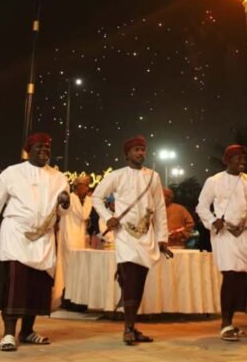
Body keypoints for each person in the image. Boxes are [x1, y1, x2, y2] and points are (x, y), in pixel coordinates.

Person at [0, 133, 69, 352]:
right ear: (28, 150)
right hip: (17, 235)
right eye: (39, 147)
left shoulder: (59, 177)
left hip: (44, 238)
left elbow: (64, 210)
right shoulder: (12, 173)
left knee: (37, 286)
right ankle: (8, 333)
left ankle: (27, 331)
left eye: (47, 147)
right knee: (15, 285)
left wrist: (66, 203)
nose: (44, 150)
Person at [91, 135, 170, 346]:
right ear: (127, 154)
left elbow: (160, 208)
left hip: (146, 235)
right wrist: (108, 217)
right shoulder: (116, 175)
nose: (141, 153)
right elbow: (96, 198)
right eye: (136, 149)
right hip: (125, 234)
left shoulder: (153, 176)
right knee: (129, 278)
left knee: (138, 281)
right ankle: (127, 327)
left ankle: (131, 326)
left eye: (143, 149)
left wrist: (163, 237)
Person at [196, 144, 247, 341]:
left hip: (245, 235)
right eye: (237, 158)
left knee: (240, 278)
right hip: (224, 235)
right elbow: (201, 207)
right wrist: (212, 221)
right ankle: (225, 324)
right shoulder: (214, 181)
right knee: (230, 275)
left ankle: (231, 323)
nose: (241, 161)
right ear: (227, 160)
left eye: (243, 158)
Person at [55, 175, 93, 310]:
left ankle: (75, 298)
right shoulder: (72, 198)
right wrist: (89, 200)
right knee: (69, 268)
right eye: (86, 186)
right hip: (70, 238)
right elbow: (84, 215)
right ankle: (68, 298)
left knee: (76, 269)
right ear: (78, 187)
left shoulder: (79, 199)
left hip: (77, 238)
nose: (87, 189)